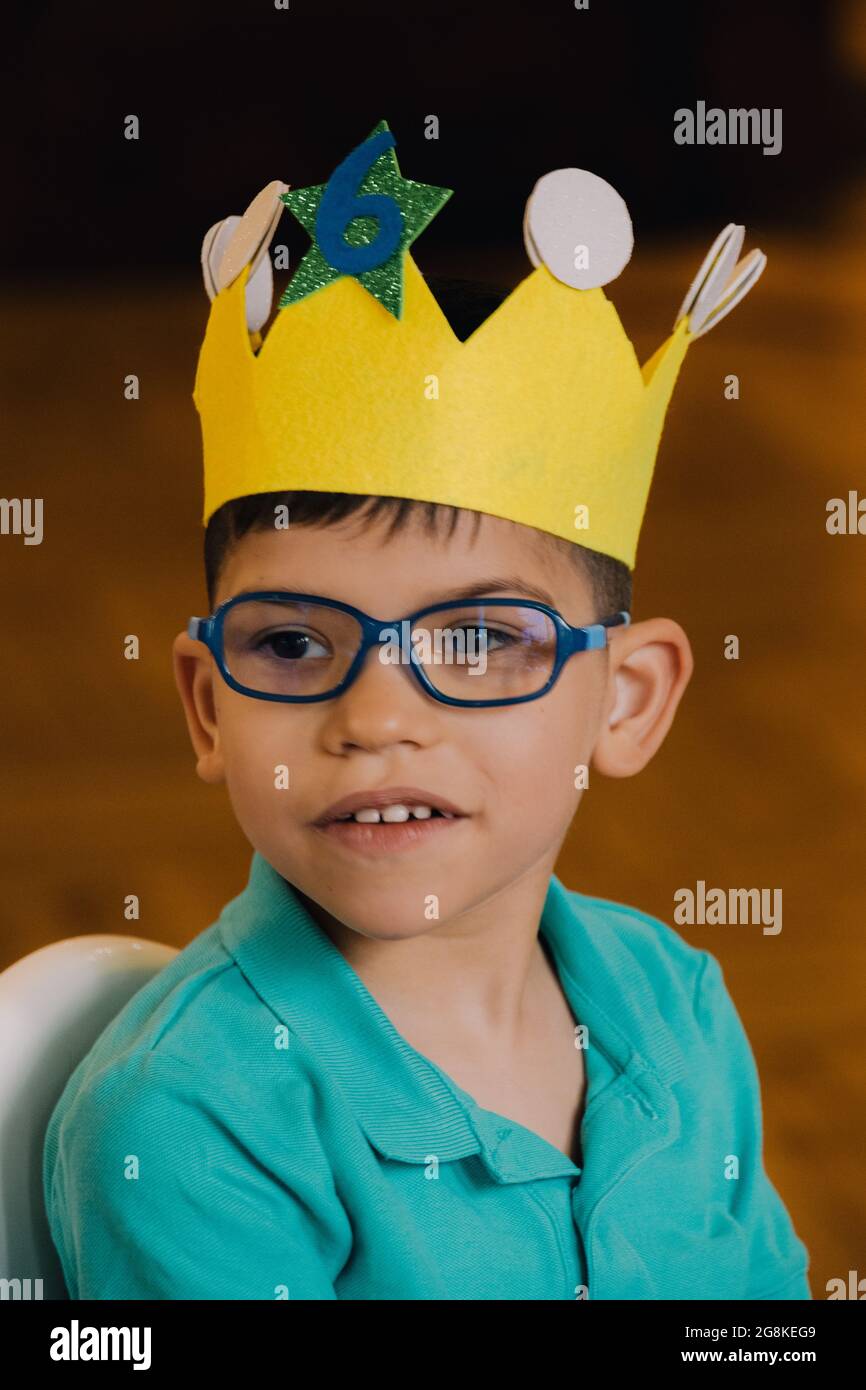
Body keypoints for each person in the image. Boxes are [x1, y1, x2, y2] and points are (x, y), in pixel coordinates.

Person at [43, 123, 810, 1300]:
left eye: (477, 640)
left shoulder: (671, 999)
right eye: (295, 643)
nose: (377, 716)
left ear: (628, 700)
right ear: (206, 708)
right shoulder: (188, 1124)